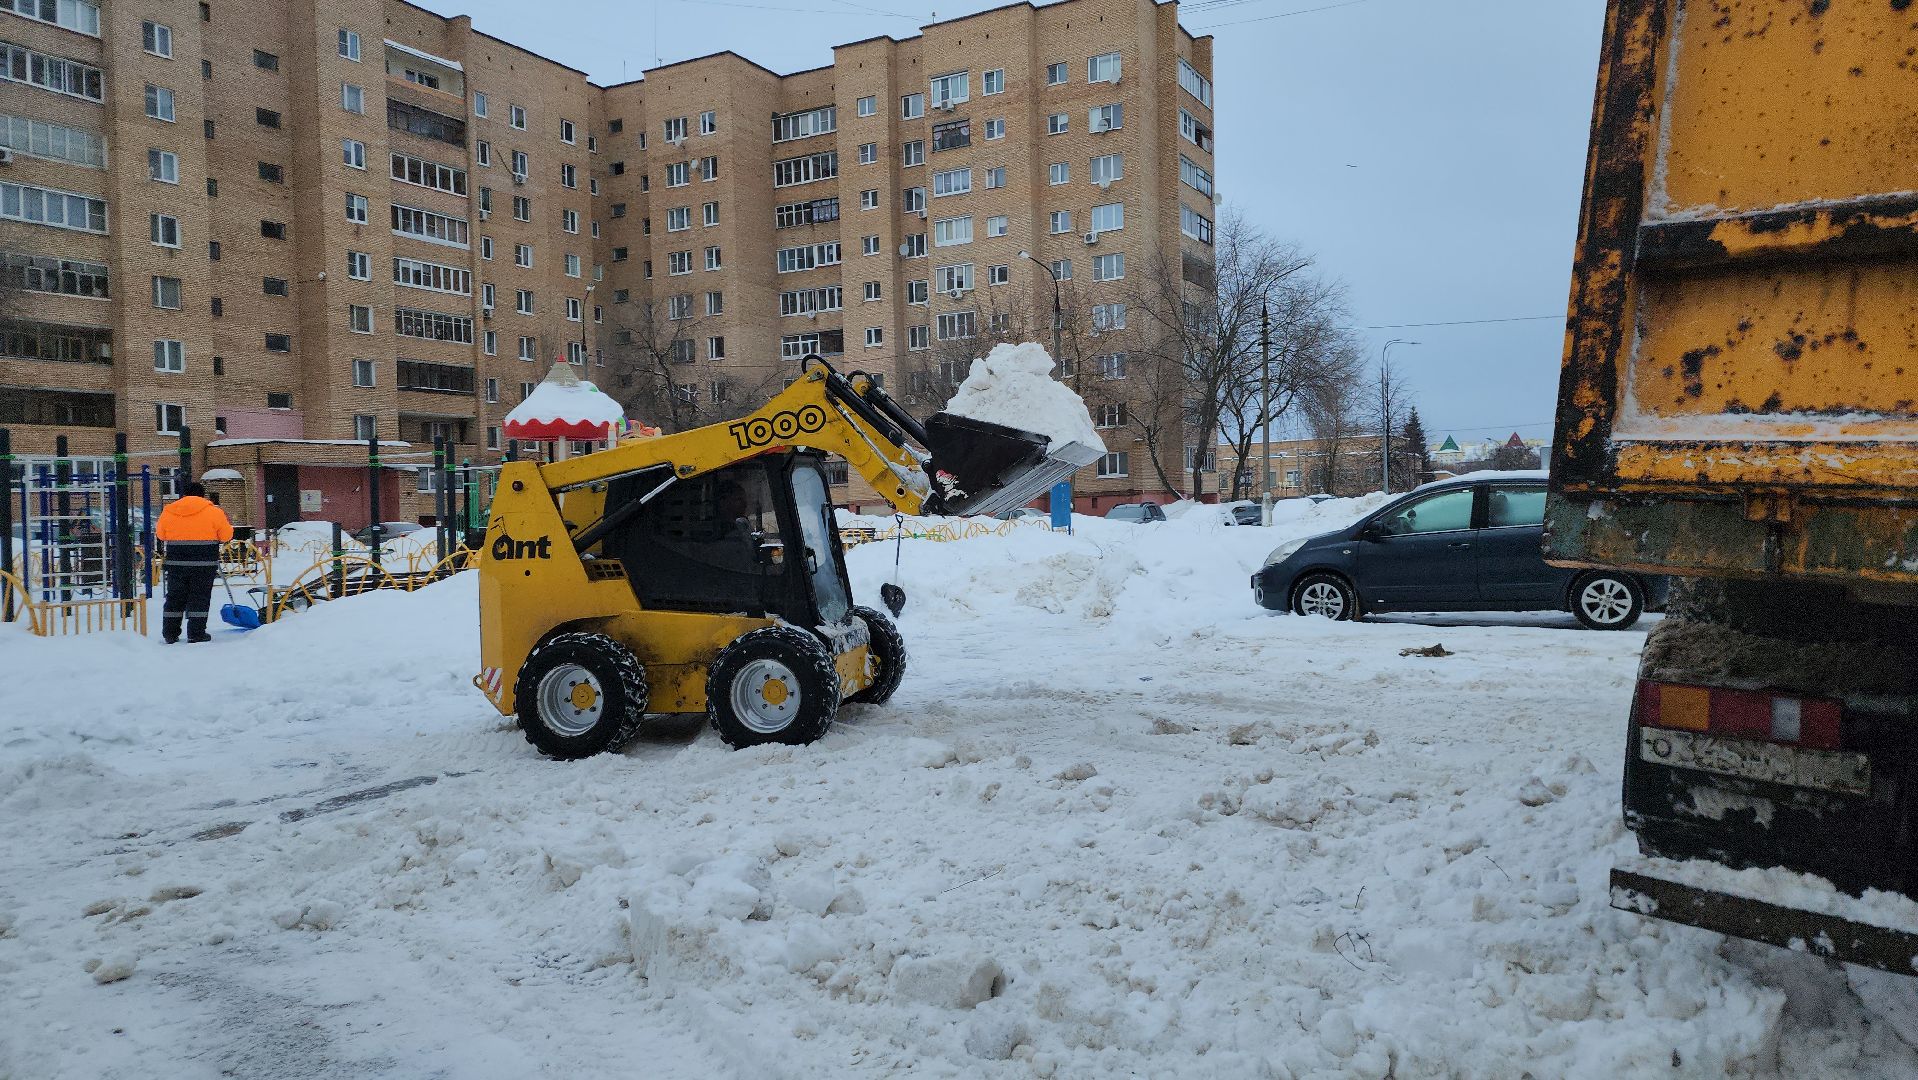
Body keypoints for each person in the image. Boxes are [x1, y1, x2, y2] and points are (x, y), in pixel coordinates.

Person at [155, 481, 234, 643]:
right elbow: (226, 536)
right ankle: (196, 633)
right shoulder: (213, 511)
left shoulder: (169, 511)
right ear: (202, 495)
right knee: (200, 597)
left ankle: (170, 633)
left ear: (183, 494)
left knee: (175, 597)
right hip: (203, 564)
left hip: (177, 563)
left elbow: (161, 535)